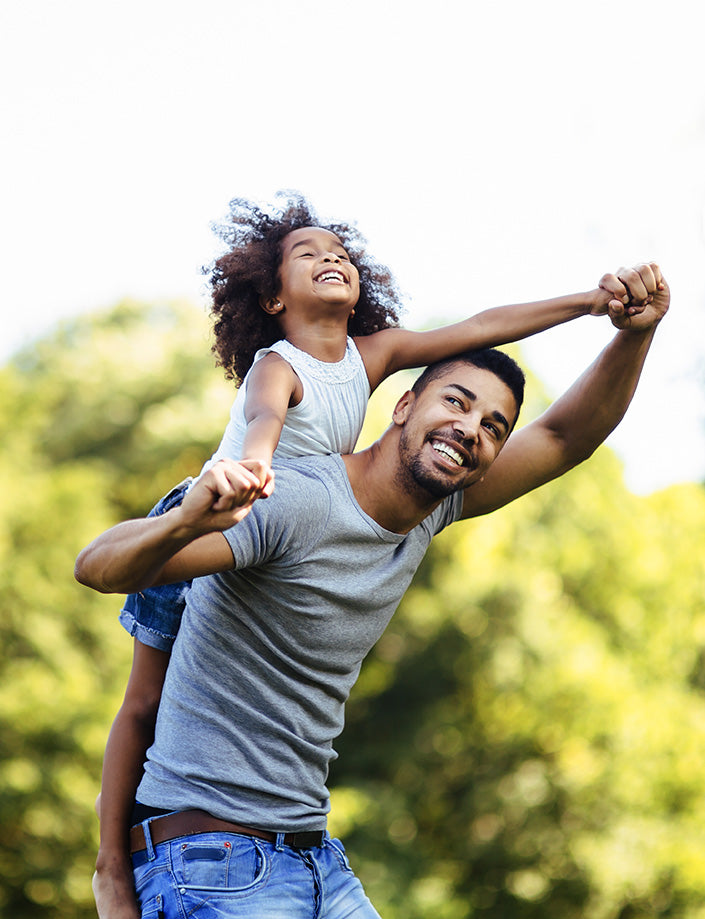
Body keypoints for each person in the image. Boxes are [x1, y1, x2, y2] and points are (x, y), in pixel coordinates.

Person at [95, 192, 648, 919]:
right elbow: (103, 562)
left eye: (492, 425)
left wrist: (618, 320)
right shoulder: (285, 452)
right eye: (454, 401)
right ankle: (111, 869)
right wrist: (217, 498)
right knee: (145, 695)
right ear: (402, 406)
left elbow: (561, 436)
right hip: (217, 851)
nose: (471, 427)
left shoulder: (411, 447)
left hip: (314, 855)